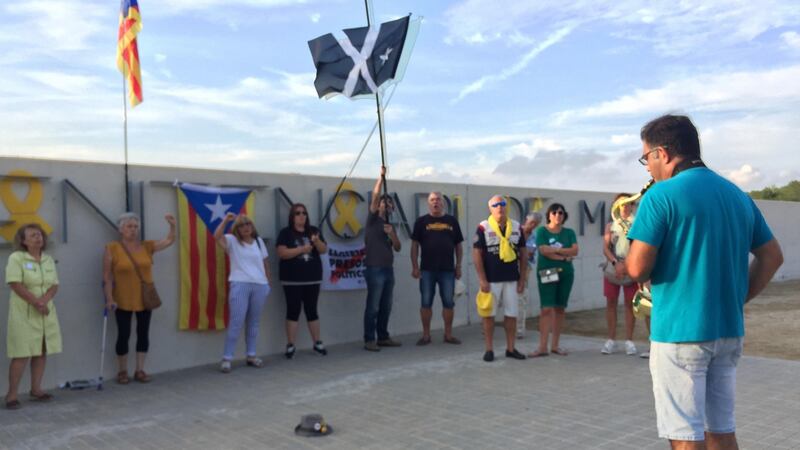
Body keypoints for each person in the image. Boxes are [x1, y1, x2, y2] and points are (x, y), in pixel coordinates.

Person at [626, 114, 783, 449]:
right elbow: (772, 257)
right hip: (728, 330)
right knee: (722, 431)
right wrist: (739, 296)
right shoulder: (737, 194)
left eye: (647, 158)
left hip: (679, 333)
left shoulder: (661, 195)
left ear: (663, 153)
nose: (648, 168)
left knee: (685, 438)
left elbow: (637, 269)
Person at [103, 212, 175, 384]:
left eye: (135, 227)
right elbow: (107, 277)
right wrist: (109, 299)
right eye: (129, 226)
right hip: (122, 299)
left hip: (145, 298)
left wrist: (172, 225)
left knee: (143, 333)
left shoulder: (147, 246)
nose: (133, 230)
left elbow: (169, 241)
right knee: (123, 334)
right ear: (121, 229)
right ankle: (122, 371)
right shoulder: (112, 248)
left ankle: (140, 370)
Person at [5, 224, 61, 410]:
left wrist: (44, 300)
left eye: (40, 235)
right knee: (21, 353)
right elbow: (15, 283)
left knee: (41, 350)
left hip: (45, 312)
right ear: (23, 240)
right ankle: (12, 395)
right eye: (33, 235)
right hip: (25, 313)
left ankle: (36, 389)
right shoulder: (17, 258)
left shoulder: (48, 259)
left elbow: (54, 285)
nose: (38, 238)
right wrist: (37, 303)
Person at [214, 213, 272, 373]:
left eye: (248, 224)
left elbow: (266, 263)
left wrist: (268, 283)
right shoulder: (232, 241)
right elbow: (216, 235)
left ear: (252, 227)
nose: (246, 228)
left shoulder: (259, 242)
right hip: (240, 284)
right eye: (242, 225)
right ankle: (227, 358)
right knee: (236, 322)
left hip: (260, 285)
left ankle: (251, 355)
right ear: (237, 229)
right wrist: (226, 220)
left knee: (254, 322)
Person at [472, 195, 527, 362]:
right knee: (489, 315)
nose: (499, 207)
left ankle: (511, 348)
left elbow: (523, 254)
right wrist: (482, 279)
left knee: (512, 315)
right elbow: (477, 255)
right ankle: (489, 350)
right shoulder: (483, 227)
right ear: (490, 208)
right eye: (495, 205)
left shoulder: (517, 227)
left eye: (502, 204)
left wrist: (522, 279)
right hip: (491, 280)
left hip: (511, 278)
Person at [410, 191, 464, 346]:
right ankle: (426, 335)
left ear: (443, 203)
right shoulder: (421, 222)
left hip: (447, 270)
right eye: (432, 200)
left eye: (438, 199)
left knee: (448, 303)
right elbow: (414, 245)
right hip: (426, 270)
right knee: (426, 303)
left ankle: (448, 335)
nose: (435, 202)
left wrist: (458, 265)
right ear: (428, 203)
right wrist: (415, 266)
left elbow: (458, 245)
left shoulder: (452, 221)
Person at [276, 203, 328, 358]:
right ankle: (291, 345)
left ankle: (317, 342)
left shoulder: (314, 231)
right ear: (292, 216)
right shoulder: (286, 233)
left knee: (312, 310)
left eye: (304, 213)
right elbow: (282, 253)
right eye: (298, 213)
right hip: (292, 280)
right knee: (293, 311)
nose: (301, 216)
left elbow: (324, 249)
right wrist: (301, 249)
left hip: (312, 279)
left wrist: (316, 241)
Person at [529, 203, 579, 358]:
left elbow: (575, 250)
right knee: (546, 308)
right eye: (555, 212)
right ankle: (542, 347)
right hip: (548, 271)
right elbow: (544, 251)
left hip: (566, 273)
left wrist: (555, 250)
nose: (558, 215)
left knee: (560, 308)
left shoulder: (569, 232)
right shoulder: (542, 231)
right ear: (549, 215)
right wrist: (564, 255)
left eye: (561, 213)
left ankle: (555, 346)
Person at [363, 167, 402, 351]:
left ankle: (383, 336)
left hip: (388, 269)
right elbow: (375, 195)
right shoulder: (372, 220)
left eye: (389, 203)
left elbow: (398, 247)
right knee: (373, 306)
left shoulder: (390, 225)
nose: (385, 205)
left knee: (386, 305)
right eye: (383, 203)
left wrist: (391, 235)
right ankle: (369, 339)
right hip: (374, 268)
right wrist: (381, 177)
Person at [601, 193, 639, 356]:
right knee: (611, 303)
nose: (624, 206)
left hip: (631, 269)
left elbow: (639, 247)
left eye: (627, 203)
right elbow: (606, 247)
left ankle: (629, 341)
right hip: (613, 268)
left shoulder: (638, 223)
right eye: (621, 203)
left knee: (630, 305)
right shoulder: (611, 225)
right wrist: (616, 263)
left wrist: (627, 264)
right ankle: (611, 339)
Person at [518, 212, 542, 339]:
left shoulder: (535, 236)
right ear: (526, 219)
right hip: (511, 266)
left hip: (526, 268)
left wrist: (526, 254)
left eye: (535, 224)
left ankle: (520, 330)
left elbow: (533, 255)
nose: (532, 226)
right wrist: (525, 253)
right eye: (531, 222)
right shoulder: (515, 231)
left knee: (522, 298)